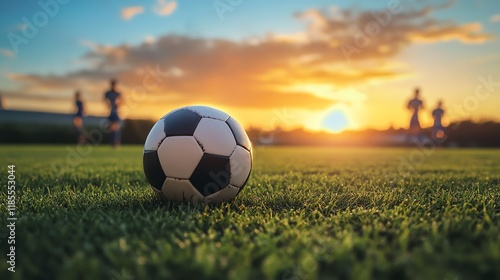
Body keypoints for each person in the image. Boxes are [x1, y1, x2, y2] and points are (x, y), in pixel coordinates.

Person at [104, 79, 122, 148]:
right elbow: (106, 101)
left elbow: (121, 101)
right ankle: (112, 143)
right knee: (111, 128)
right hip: (110, 113)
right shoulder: (107, 93)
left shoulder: (118, 93)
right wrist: (108, 103)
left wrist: (118, 103)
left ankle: (116, 143)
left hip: (116, 113)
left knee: (115, 128)